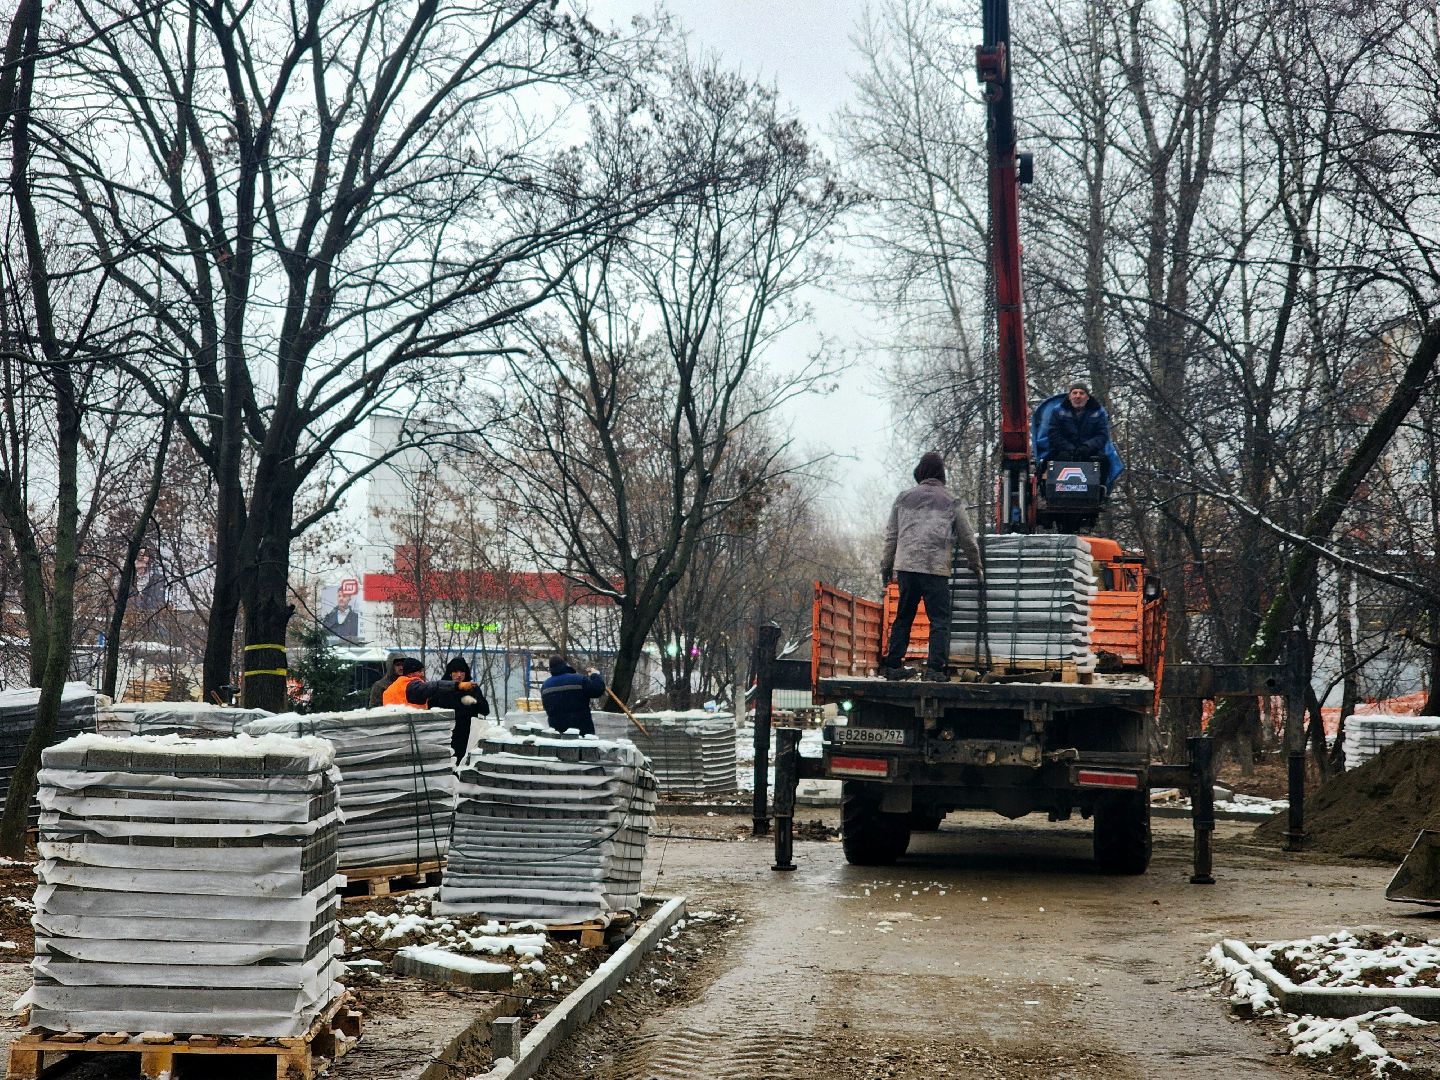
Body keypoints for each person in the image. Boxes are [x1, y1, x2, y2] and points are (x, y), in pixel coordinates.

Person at [879, 451, 984, 682]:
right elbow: (967, 537)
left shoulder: (903, 498)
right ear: (941, 473)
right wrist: (976, 565)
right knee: (939, 620)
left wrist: (886, 567)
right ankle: (934, 670)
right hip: (934, 569)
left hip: (907, 567)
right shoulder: (951, 501)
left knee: (904, 616)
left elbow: (891, 536)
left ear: (921, 472)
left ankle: (893, 666)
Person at [1032, 382, 1122, 485]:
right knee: (1046, 465)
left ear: (1087, 397)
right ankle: (1048, 490)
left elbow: (1102, 435)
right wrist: (1068, 447)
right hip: (1063, 451)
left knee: (1105, 461)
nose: (1078, 396)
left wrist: (1087, 447)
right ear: (1069, 396)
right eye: (1074, 393)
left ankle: (1101, 491)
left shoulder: (1098, 412)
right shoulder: (1058, 411)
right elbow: (1054, 434)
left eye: (1081, 393)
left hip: (1089, 451)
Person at [427, 655, 490, 761]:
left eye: (462, 672)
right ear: (450, 673)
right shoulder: (441, 689)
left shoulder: (472, 689)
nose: (459, 675)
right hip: (446, 735)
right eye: (455, 672)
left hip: (467, 735)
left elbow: (485, 710)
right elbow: (430, 710)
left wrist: (475, 701)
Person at [540, 654, 606, 736]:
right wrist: (595, 675)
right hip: (582, 731)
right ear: (564, 665)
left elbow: (547, 707)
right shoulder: (579, 679)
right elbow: (598, 689)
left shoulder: (545, 686)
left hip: (557, 733)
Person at [382, 657, 480, 709]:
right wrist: (458, 685)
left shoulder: (392, 688)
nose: (422, 674)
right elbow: (435, 686)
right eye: (419, 671)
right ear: (411, 673)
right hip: (411, 731)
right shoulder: (412, 686)